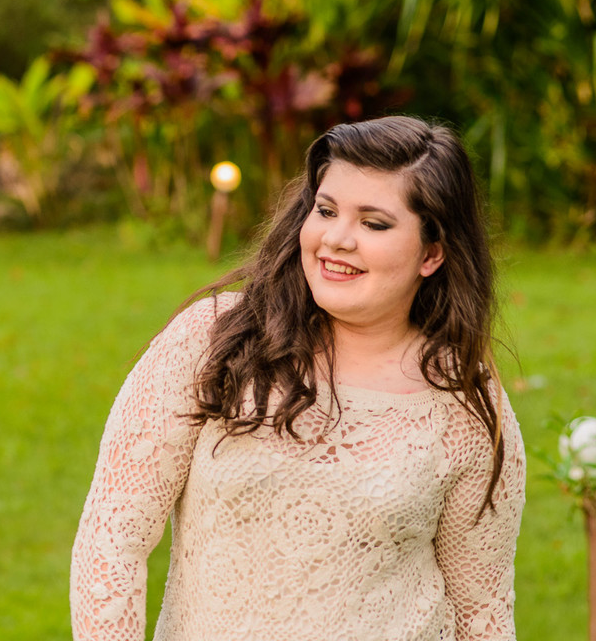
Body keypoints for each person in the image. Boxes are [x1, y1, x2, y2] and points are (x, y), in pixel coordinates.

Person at [70, 115, 526, 641]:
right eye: (326, 210)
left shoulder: (462, 400)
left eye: (373, 223)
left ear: (431, 253)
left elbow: (482, 611)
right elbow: (112, 539)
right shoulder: (214, 341)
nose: (336, 239)